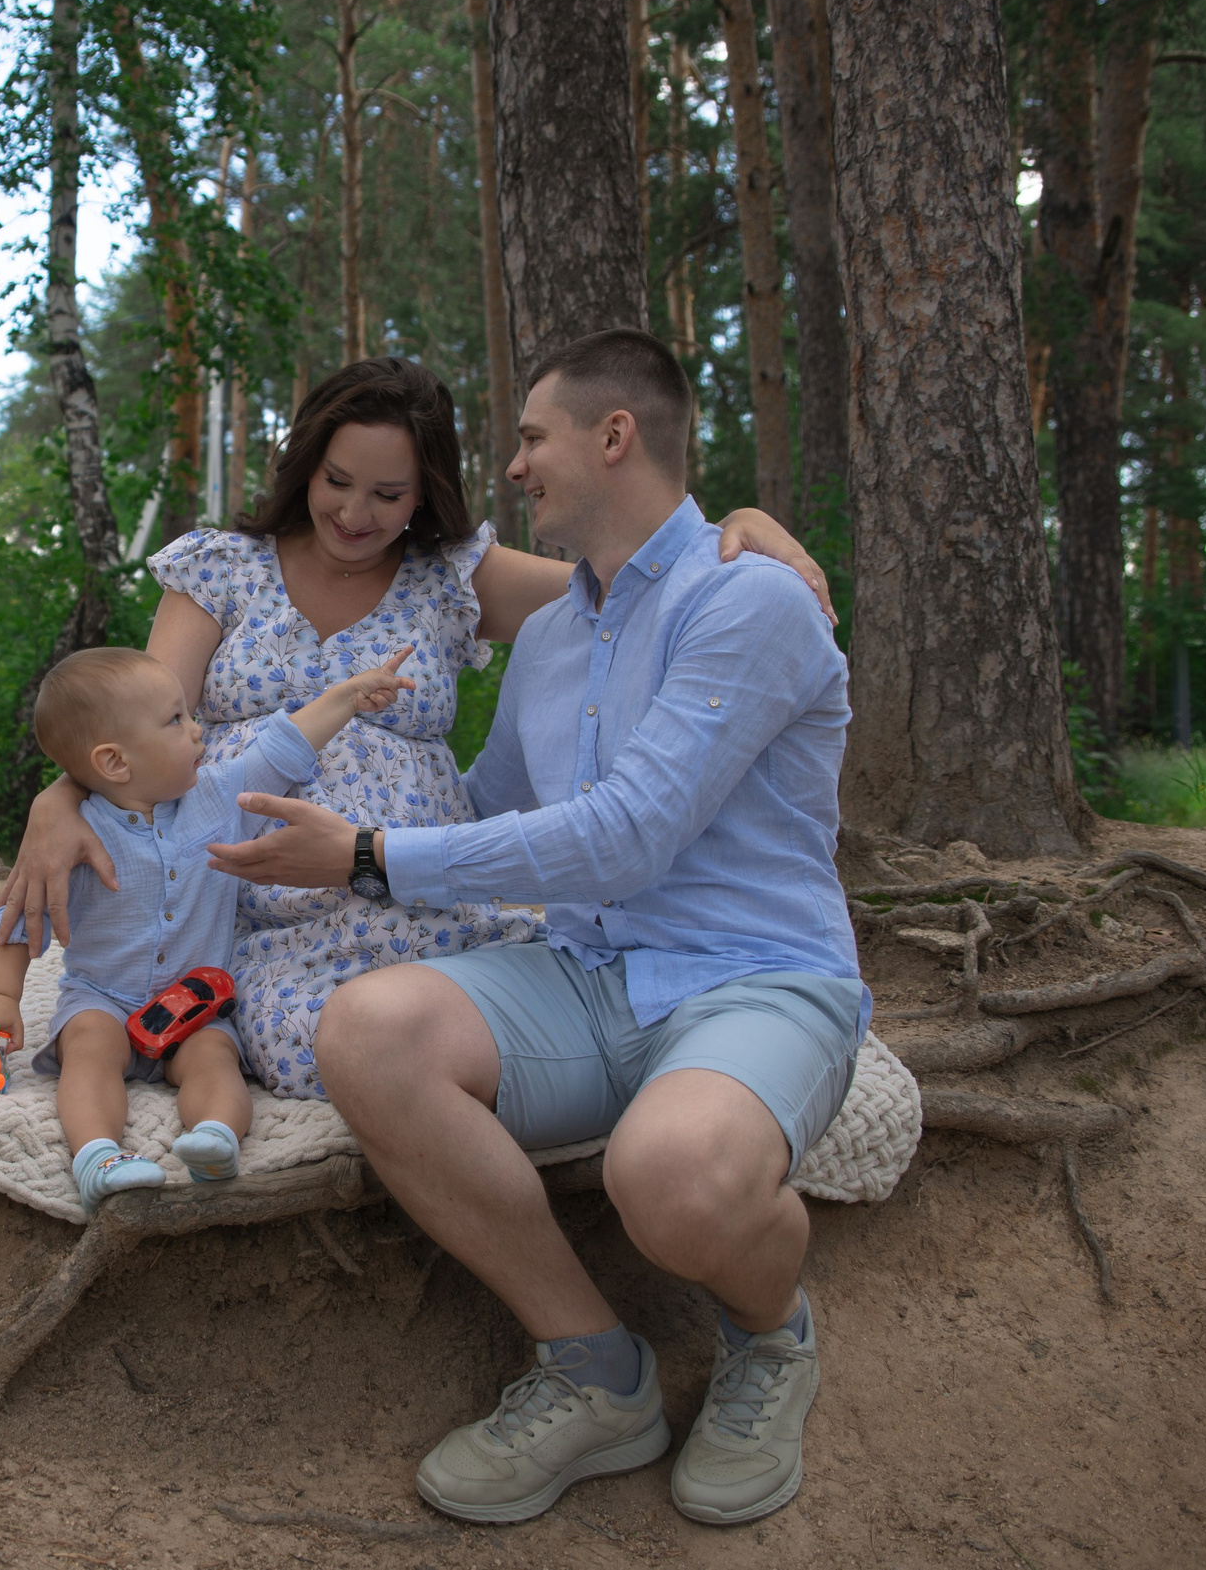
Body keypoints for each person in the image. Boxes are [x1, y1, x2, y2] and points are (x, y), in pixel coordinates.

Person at [205, 330, 862, 1530]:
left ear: (613, 436)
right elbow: (490, 804)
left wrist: (363, 857)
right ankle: (598, 1371)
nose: (511, 468)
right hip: (584, 972)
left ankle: (772, 1340)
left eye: (532, 437)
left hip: (754, 979)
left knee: (664, 1178)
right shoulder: (557, 633)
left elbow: (625, 836)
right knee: (369, 1030)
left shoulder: (749, 598)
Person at [0, 356, 832, 1101]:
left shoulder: (454, 578)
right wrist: (59, 800)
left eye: (389, 494)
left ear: (426, 492)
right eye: (336, 480)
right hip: (269, 903)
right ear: (305, 467)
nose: (355, 512)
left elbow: (634, 571)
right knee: (322, 1044)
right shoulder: (221, 567)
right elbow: (133, 727)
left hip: (418, 889)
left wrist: (740, 530)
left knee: (474, 1022)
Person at [0, 641, 421, 1212]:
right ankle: (98, 1155)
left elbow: (284, 746)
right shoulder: (76, 837)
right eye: (176, 720)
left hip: (194, 1002)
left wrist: (348, 696)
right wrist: (0, 997)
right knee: (88, 1047)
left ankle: (215, 1138)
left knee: (213, 1057)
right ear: (114, 763)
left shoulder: (219, 796)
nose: (198, 729)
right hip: (103, 997)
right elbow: (16, 918)